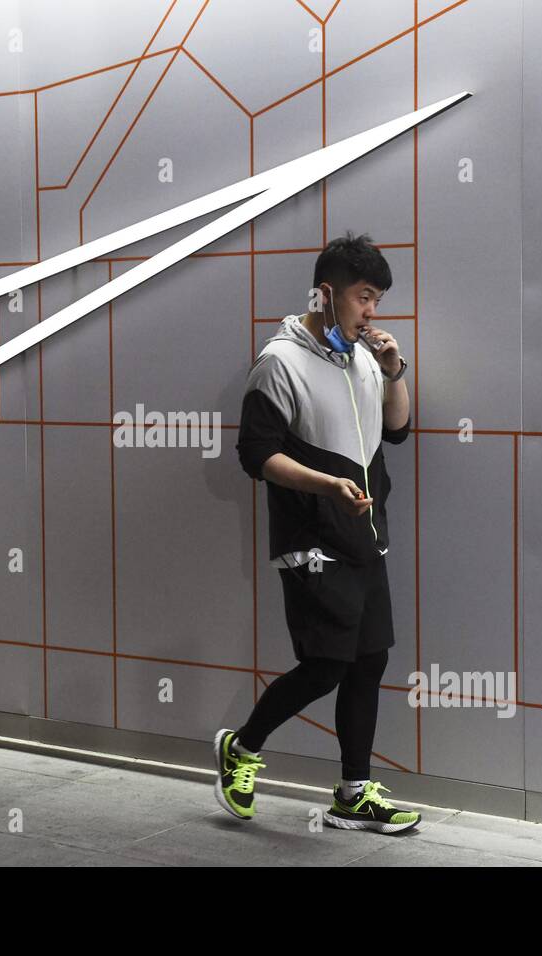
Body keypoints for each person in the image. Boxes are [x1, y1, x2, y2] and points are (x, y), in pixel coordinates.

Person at [215, 232, 420, 834]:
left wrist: (394, 371)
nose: (372, 312)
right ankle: (242, 748)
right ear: (326, 293)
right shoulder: (279, 363)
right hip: (311, 543)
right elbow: (255, 455)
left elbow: (399, 428)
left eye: (378, 299)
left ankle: (354, 793)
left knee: (368, 661)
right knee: (326, 665)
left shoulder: (362, 355)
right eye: (363, 297)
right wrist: (328, 485)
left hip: (365, 536)